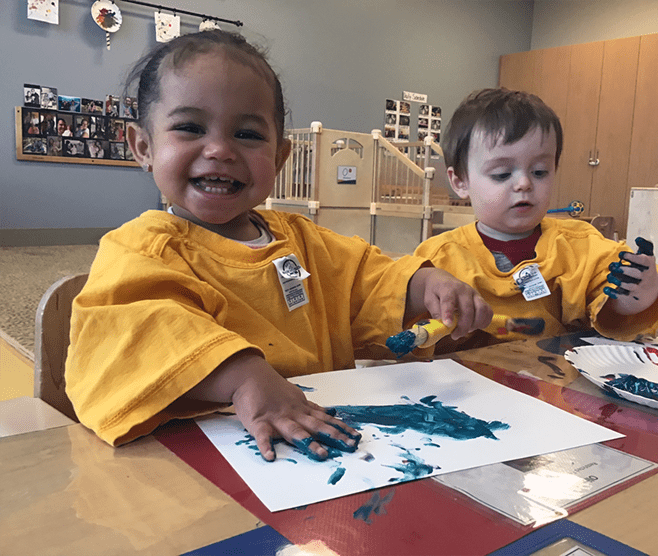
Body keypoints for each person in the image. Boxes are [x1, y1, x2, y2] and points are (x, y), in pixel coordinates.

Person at [65, 30, 492, 462]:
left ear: (281, 157)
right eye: (190, 128)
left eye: (248, 134)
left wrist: (426, 282)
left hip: (323, 444)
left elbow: (369, 279)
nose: (219, 150)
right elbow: (139, 331)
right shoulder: (140, 249)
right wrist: (242, 377)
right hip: (208, 456)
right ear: (143, 146)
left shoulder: (303, 240)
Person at [414, 88, 658, 353]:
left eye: (540, 171)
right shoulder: (438, 258)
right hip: (471, 384)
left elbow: (616, 310)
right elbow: (414, 332)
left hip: (559, 384)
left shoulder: (583, 244)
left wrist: (635, 297)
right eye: (502, 174)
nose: (524, 183)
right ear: (460, 181)